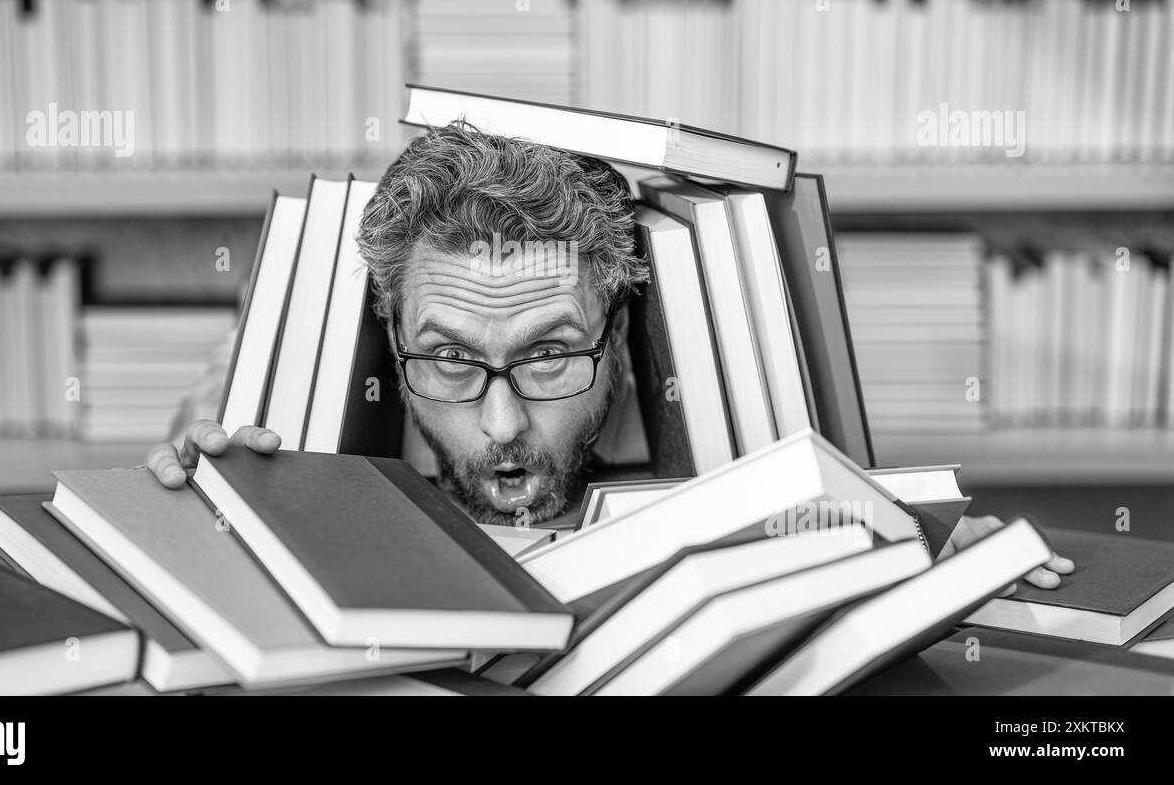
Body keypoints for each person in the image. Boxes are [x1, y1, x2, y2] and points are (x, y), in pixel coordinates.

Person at [143, 122, 1073, 591]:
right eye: (451, 362)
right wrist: (195, 513)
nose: (502, 425)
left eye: (550, 355)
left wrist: (927, 569)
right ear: (390, 338)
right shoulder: (282, 380)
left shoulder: (724, 375)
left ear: (620, 331)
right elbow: (190, 493)